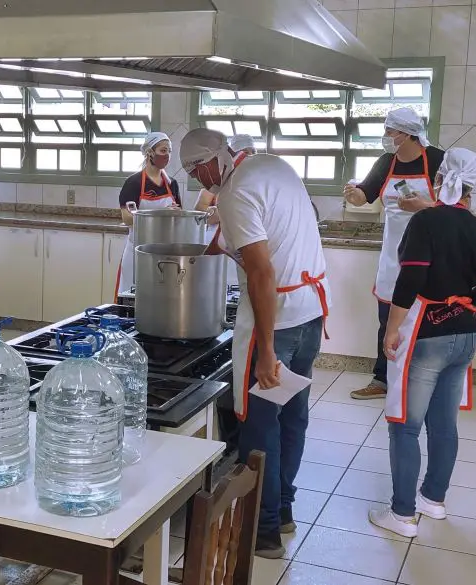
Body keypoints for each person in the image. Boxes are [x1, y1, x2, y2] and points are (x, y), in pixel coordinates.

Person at [180, 128, 329, 559]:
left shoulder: (235, 190)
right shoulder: (270, 165)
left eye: (195, 170)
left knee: (260, 425)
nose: (197, 180)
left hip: (278, 321)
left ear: (212, 160)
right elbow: (276, 236)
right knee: (292, 416)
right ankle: (282, 511)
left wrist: (265, 352)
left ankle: (261, 534)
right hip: (310, 311)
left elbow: (262, 274)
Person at [366, 148, 476, 538]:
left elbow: (408, 281)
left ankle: (403, 514)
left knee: (405, 425)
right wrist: (463, 304)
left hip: (426, 333)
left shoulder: (425, 220)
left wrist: (392, 329)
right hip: (467, 333)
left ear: (440, 179)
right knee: (443, 424)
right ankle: (433, 500)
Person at [343, 107, 445, 401]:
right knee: (388, 320)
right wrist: (354, 194)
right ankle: (383, 379)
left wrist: (424, 206)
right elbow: (366, 194)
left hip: (431, 256)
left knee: (427, 320)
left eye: (390, 131)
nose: (386, 136)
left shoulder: (438, 160)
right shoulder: (386, 162)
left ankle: (425, 381)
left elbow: (458, 206)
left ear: (408, 133)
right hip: (393, 257)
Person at [115, 131, 181, 300]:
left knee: (161, 301)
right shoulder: (134, 183)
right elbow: (127, 218)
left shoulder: (171, 184)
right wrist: (160, 214)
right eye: (163, 151)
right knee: (133, 300)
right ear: (149, 152)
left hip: (164, 253)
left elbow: (179, 215)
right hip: (138, 252)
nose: (167, 156)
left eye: (169, 151)